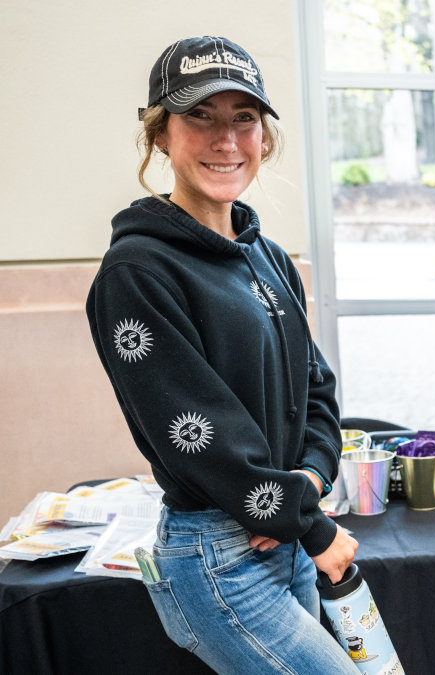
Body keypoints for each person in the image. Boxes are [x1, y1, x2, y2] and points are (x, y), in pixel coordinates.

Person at [86, 36, 360, 673]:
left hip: (283, 533)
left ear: (264, 136)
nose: (226, 139)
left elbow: (316, 393)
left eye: (244, 118)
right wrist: (313, 526)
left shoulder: (268, 256)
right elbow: (199, 435)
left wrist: (306, 488)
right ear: (160, 135)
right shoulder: (137, 272)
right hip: (219, 557)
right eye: (200, 117)